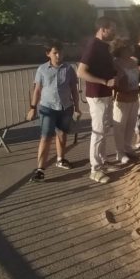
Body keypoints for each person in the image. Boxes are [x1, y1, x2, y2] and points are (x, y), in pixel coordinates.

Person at [27, 40, 80, 182]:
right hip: (47, 108)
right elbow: (37, 90)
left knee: (62, 134)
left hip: (65, 107)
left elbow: (74, 90)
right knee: (46, 138)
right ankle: (40, 169)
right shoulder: (42, 69)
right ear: (48, 54)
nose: (58, 55)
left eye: (60, 52)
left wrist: (77, 107)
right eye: (55, 53)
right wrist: (32, 108)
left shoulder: (69, 69)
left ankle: (61, 159)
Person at [77, 16, 117, 184]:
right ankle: (95, 169)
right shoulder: (93, 46)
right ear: (103, 29)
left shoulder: (103, 47)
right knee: (98, 131)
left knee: (104, 129)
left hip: (105, 93)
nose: (114, 32)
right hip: (97, 94)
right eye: (112, 29)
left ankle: (102, 161)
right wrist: (104, 81)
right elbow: (81, 72)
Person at [111, 39, 140, 165]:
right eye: (125, 49)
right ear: (119, 50)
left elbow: (138, 76)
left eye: (129, 48)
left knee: (131, 124)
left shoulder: (134, 61)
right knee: (120, 126)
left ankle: (128, 147)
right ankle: (120, 152)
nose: (129, 51)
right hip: (122, 97)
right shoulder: (115, 63)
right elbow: (115, 81)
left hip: (134, 95)